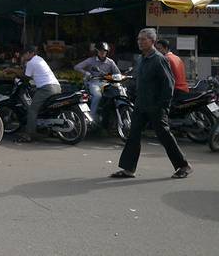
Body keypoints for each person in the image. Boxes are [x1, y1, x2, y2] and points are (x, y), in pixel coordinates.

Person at [111, 29, 192, 179]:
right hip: (141, 104)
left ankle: (183, 166)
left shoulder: (159, 59)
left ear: (152, 41)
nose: (140, 42)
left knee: (164, 135)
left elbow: (169, 84)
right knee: (133, 134)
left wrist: (163, 106)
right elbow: (138, 80)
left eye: (143, 39)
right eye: (138, 39)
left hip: (156, 105)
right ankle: (128, 169)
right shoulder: (142, 59)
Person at [7, 45, 61, 143]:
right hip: (56, 87)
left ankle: (28, 135)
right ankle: (46, 129)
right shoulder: (39, 59)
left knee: (32, 110)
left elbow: (25, 76)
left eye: (24, 54)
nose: (23, 57)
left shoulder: (32, 62)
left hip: (47, 88)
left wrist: (12, 70)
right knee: (45, 108)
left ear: (30, 53)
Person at [74, 42, 121, 120]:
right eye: (100, 51)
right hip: (94, 82)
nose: (102, 53)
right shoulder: (91, 60)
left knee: (117, 94)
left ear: (107, 52)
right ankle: (91, 118)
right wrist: (86, 72)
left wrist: (118, 77)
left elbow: (118, 73)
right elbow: (77, 67)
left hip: (106, 83)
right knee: (97, 96)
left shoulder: (110, 62)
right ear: (97, 51)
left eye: (104, 51)